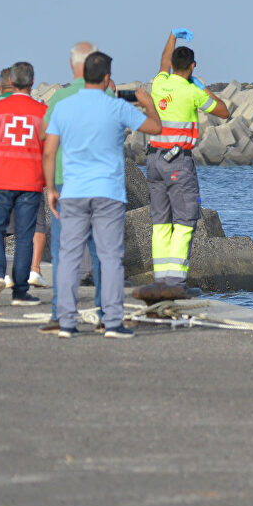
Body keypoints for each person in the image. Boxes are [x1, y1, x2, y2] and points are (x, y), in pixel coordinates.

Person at [44, 51, 164, 339]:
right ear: (108, 77)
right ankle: (111, 321)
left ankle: (66, 320)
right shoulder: (116, 107)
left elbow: (49, 151)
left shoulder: (65, 106)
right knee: (110, 257)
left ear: (83, 74)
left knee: (70, 255)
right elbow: (156, 127)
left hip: (72, 190)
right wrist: (148, 105)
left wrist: (50, 187)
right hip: (108, 193)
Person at [134, 30, 230, 301]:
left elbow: (163, 62)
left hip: (153, 160)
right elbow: (224, 111)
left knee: (161, 221)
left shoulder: (160, 83)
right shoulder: (192, 92)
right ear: (193, 67)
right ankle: (176, 282)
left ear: (172, 67)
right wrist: (202, 87)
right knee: (185, 220)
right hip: (178, 162)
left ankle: (161, 280)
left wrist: (172, 37)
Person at [37, 42, 111, 333]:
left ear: (74, 65)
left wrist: (49, 186)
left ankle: (60, 313)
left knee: (63, 251)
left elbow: (45, 136)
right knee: (103, 252)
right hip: (101, 182)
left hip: (66, 182)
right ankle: (106, 313)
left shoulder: (62, 97)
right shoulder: (107, 94)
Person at [0, 62, 47, 307]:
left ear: (11, 82)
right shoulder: (43, 111)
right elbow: (50, 150)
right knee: (25, 237)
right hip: (31, 182)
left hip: (0, 180)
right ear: (32, 82)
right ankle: (21, 291)